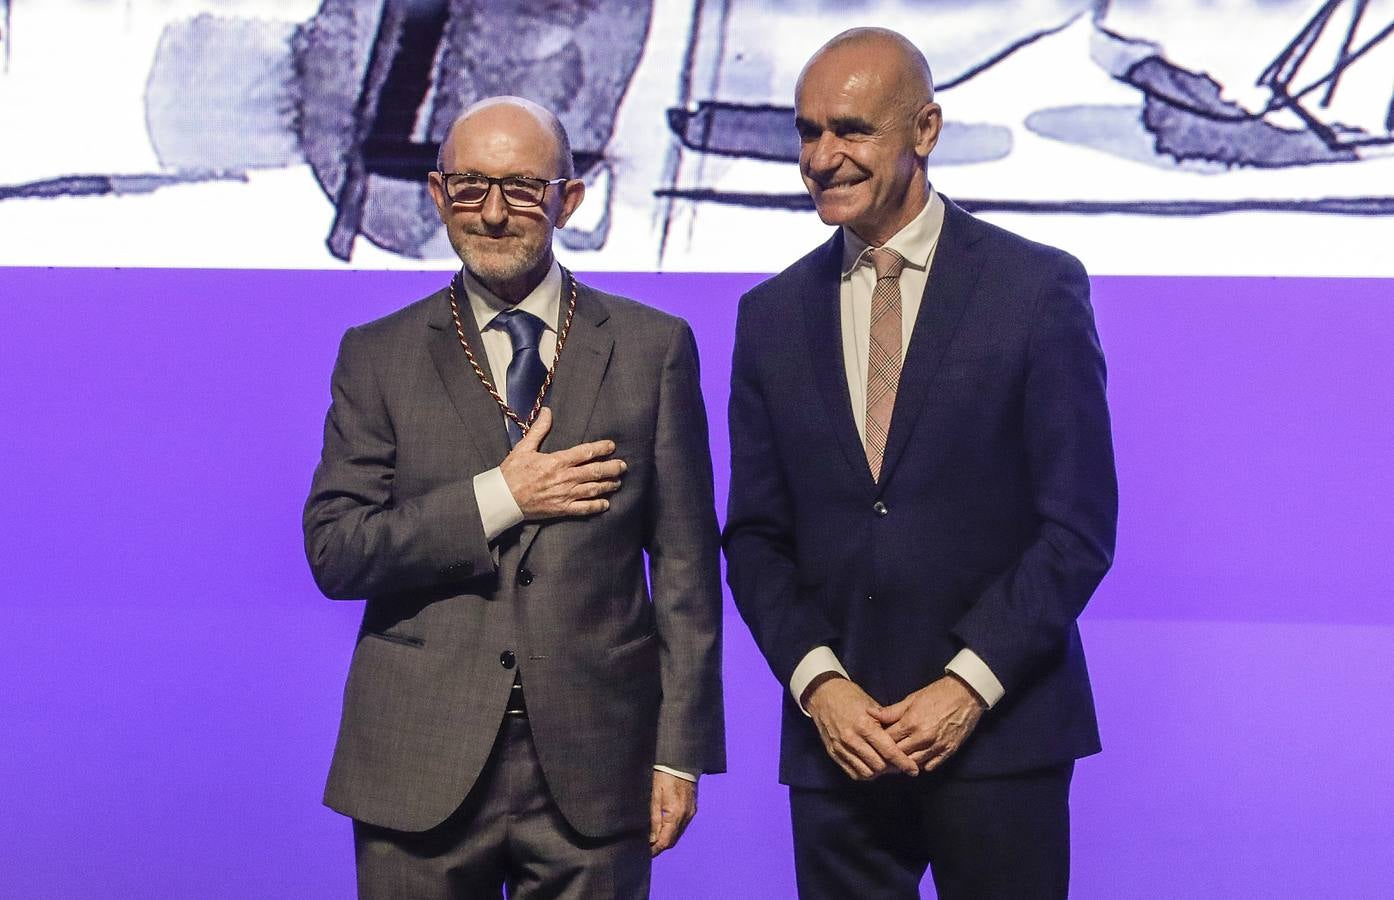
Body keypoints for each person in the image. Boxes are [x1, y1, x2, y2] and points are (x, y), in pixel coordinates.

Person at [723, 28, 1117, 900]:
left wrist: (968, 685)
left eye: (851, 129)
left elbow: (1077, 529)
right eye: (807, 131)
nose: (822, 157)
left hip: (1001, 737)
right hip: (838, 751)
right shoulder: (769, 315)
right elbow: (753, 536)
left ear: (925, 130)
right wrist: (819, 685)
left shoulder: (1037, 289)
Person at [304, 95, 725, 899]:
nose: (493, 213)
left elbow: (685, 574)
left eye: (523, 189)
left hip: (597, 764)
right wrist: (500, 496)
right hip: (415, 759)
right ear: (437, 195)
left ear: (569, 197)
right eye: (469, 188)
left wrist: (679, 751)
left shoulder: (652, 348)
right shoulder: (377, 355)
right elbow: (337, 549)